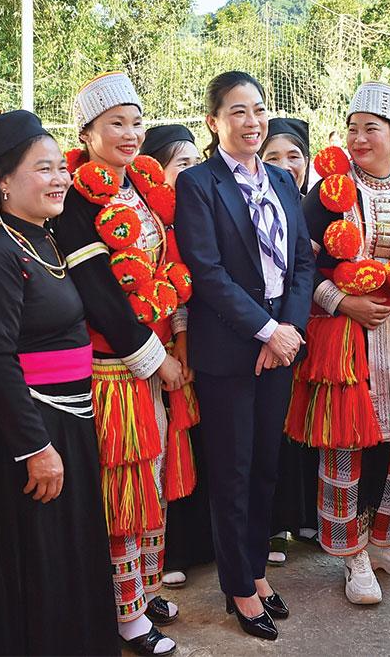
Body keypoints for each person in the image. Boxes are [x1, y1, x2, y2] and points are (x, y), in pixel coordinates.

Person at [285, 82, 390, 605]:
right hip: (345, 335)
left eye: (371, 129)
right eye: (353, 128)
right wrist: (341, 301)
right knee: (346, 442)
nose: (359, 139)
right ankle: (350, 554)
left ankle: (383, 541)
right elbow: (301, 263)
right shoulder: (328, 191)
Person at [0, 110, 119, 655]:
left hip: (70, 420)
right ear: (3, 181)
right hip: (33, 430)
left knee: (73, 553)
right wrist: (35, 446)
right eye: (43, 168)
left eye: (60, 167)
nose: (59, 178)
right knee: (41, 561)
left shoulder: (45, 240)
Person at [51, 72, 193, 657]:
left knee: (151, 483)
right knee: (122, 489)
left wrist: (179, 337)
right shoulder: (75, 196)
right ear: (86, 131)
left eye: (137, 122)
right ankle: (127, 615)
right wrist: (156, 360)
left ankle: (145, 587)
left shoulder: (144, 186)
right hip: (114, 367)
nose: (131, 134)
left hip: (158, 357)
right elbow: (97, 291)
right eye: (116, 124)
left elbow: (170, 267)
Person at [174, 71, 314, 641]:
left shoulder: (281, 180)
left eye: (258, 109)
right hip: (231, 349)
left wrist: (290, 329)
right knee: (231, 470)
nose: (252, 121)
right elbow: (206, 272)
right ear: (214, 122)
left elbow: (302, 262)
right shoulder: (200, 184)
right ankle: (237, 585)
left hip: (280, 343)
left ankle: (255, 570)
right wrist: (264, 331)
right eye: (237, 111)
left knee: (265, 467)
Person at [137, 123, 215, 590]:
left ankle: (178, 551)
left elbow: (184, 289)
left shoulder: (194, 213)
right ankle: (150, 570)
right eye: (180, 164)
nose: (191, 172)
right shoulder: (140, 217)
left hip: (184, 347)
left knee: (183, 452)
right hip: (139, 354)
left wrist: (183, 337)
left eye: (193, 162)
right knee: (151, 456)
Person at [257, 116, 318, 565]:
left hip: (313, 328)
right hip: (268, 332)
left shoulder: (323, 203)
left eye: (293, 155)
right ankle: (274, 523)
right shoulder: (253, 202)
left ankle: (309, 518)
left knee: (311, 424)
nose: (285, 164)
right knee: (274, 430)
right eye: (272, 156)